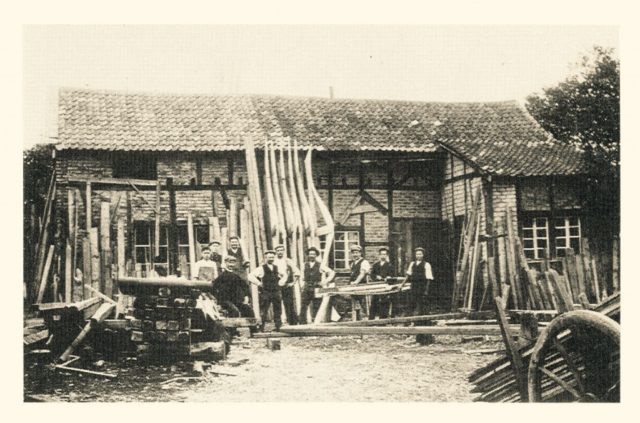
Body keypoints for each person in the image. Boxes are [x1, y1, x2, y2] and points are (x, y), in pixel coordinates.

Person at [248, 250, 288, 331]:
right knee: (264, 310)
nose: (271, 259)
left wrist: (281, 282)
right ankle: (261, 327)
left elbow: (285, 275)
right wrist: (259, 283)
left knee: (278, 310)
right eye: (269, 257)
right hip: (266, 292)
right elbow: (250, 276)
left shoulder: (277, 267)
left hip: (276, 291)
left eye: (273, 257)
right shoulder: (261, 268)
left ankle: (278, 326)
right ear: (265, 258)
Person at [298, 247, 335, 324]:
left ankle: (316, 322)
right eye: (310, 254)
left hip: (317, 287)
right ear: (308, 255)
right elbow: (301, 276)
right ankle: (302, 322)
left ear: (316, 255)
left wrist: (325, 282)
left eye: (314, 254)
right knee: (303, 305)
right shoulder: (304, 265)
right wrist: (302, 285)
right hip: (307, 287)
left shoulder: (320, 265)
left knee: (317, 305)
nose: (312, 256)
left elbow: (332, 273)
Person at [274, 244, 301, 325]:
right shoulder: (273, 261)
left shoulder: (288, 261)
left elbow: (297, 272)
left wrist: (293, 283)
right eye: (278, 250)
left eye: (281, 250)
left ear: (284, 251)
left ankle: (292, 322)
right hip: (276, 284)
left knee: (288, 303)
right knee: (277, 303)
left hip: (286, 284)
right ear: (276, 252)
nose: (280, 252)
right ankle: (279, 322)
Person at [406, 247, 434, 316]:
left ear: (423, 255)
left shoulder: (426, 264)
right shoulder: (412, 264)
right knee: (413, 302)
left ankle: (423, 320)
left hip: (422, 286)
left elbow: (429, 278)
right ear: (415, 255)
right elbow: (408, 275)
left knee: (422, 303)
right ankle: (412, 318)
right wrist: (402, 285)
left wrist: (426, 290)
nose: (418, 256)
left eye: (420, 254)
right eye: (417, 254)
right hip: (414, 286)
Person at [369, 247, 395, 320]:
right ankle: (371, 319)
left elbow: (393, 276)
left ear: (387, 255)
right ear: (379, 255)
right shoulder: (376, 265)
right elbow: (372, 275)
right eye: (381, 254)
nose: (383, 256)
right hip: (377, 285)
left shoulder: (390, 265)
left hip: (385, 286)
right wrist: (376, 277)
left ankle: (383, 320)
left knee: (384, 302)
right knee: (374, 302)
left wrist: (388, 278)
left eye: (384, 254)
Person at [349, 245, 371, 320]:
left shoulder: (364, 262)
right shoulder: (352, 263)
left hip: (362, 285)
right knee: (355, 302)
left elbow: (362, 274)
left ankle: (366, 318)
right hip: (353, 286)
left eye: (357, 252)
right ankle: (357, 319)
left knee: (363, 302)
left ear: (360, 253)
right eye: (353, 253)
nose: (355, 254)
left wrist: (356, 282)